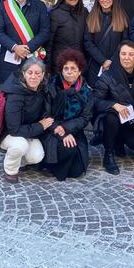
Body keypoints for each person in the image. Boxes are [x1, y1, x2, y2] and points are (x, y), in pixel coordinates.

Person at [93, 40, 134, 175]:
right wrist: (113, 105)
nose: (126, 57)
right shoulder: (107, 75)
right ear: (118, 56)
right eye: (123, 54)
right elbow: (94, 100)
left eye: (130, 54)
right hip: (113, 119)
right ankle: (108, 155)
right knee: (111, 117)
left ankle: (120, 141)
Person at [0, 0, 50, 83]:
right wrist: (15, 47)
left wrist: (27, 48)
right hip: (9, 61)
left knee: (33, 96)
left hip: (33, 60)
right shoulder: (3, 7)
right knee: (9, 97)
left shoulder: (39, 6)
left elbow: (45, 31)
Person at [0, 58, 51, 183]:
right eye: (30, 72)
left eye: (38, 73)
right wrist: (40, 126)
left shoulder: (42, 90)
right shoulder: (15, 94)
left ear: (43, 75)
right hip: (8, 134)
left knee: (36, 156)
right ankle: (11, 170)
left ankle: (20, 162)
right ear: (23, 74)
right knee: (20, 145)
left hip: (28, 131)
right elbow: (14, 129)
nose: (33, 76)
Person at [43, 49, 92, 181]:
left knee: (77, 171)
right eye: (66, 68)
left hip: (74, 129)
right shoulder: (51, 86)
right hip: (52, 129)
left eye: (73, 69)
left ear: (79, 71)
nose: (69, 71)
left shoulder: (86, 91)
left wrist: (66, 128)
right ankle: (50, 165)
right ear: (61, 70)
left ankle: (55, 165)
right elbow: (46, 114)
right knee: (68, 149)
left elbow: (85, 118)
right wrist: (61, 131)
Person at [83, 0, 129, 86]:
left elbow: (124, 42)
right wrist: (103, 61)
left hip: (116, 65)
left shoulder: (122, 17)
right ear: (98, 0)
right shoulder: (91, 17)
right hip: (96, 65)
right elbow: (88, 42)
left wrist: (112, 61)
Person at [47, 0, 87, 73]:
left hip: (78, 66)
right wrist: (48, 69)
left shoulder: (84, 12)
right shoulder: (55, 14)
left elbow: (87, 41)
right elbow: (49, 44)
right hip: (60, 66)